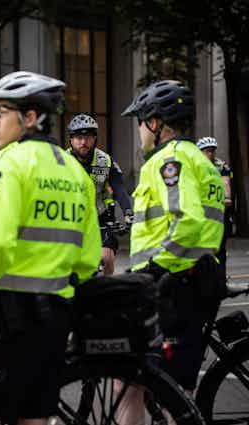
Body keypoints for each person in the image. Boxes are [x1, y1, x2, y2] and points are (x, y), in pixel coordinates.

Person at [0, 71, 101, 425]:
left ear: (30, 118)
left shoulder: (9, 162)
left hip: (6, 316)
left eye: (2, 112)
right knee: (33, 416)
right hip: (57, 316)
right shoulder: (75, 172)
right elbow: (89, 256)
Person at [120, 80, 225, 421]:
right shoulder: (199, 159)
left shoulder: (169, 161)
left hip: (172, 284)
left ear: (156, 122)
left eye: (140, 121)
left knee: (164, 391)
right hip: (194, 279)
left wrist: (156, 267)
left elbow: (189, 221)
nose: (138, 130)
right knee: (160, 384)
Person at [66, 114, 133, 275]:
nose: (83, 142)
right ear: (71, 140)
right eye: (79, 138)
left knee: (106, 258)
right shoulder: (62, 160)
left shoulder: (106, 161)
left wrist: (128, 213)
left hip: (100, 218)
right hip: (71, 218)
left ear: (95, 139)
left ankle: (106, 290)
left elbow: (120, 190)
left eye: (88, 137)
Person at [197, 136, 233, 275]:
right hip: (201, 214)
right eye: (206, 151)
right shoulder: (195, 165)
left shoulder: (220, 166)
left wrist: (226, 197)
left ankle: (221, 279)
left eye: (212, 151)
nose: (210, 154)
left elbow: (226, 184)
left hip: (218, 213)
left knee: (220, 249)